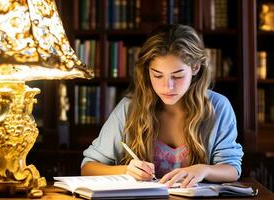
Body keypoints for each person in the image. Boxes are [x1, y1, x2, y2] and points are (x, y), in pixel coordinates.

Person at [80, 24, 243, 188]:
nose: (167, 86)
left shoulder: (218, 107)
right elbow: (88, 167)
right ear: (147, 71)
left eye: (177, 76)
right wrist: (125, 171)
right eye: (157, 75)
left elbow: (232, 169)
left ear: (195, 68)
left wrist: (203, 170)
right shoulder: (129, 109)